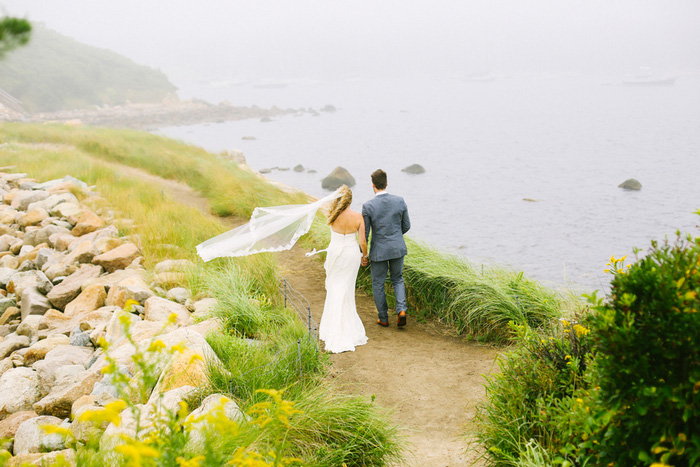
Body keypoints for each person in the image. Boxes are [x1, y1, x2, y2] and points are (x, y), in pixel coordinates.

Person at [318, 185, 369, 353]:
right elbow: (362, 242)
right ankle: (346, 329)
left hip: (336, 255)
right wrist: (365, 255)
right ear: (350, 200)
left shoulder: (332, 216)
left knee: (334, 289)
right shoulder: (358, 217)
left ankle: (332, 328)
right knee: (347, 290)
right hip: (351, 255)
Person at [361, 169, 411, 327]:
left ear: (373, 185)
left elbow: (365, 234)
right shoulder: (400, 201)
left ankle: (383, 318)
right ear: (387, 183)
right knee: (397, 279)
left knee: (378, 284)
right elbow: (406, 226)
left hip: (379, 251)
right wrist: (395, 236)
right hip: (397, 248)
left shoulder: (368, 206)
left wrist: (363, 255)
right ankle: (401, 310)